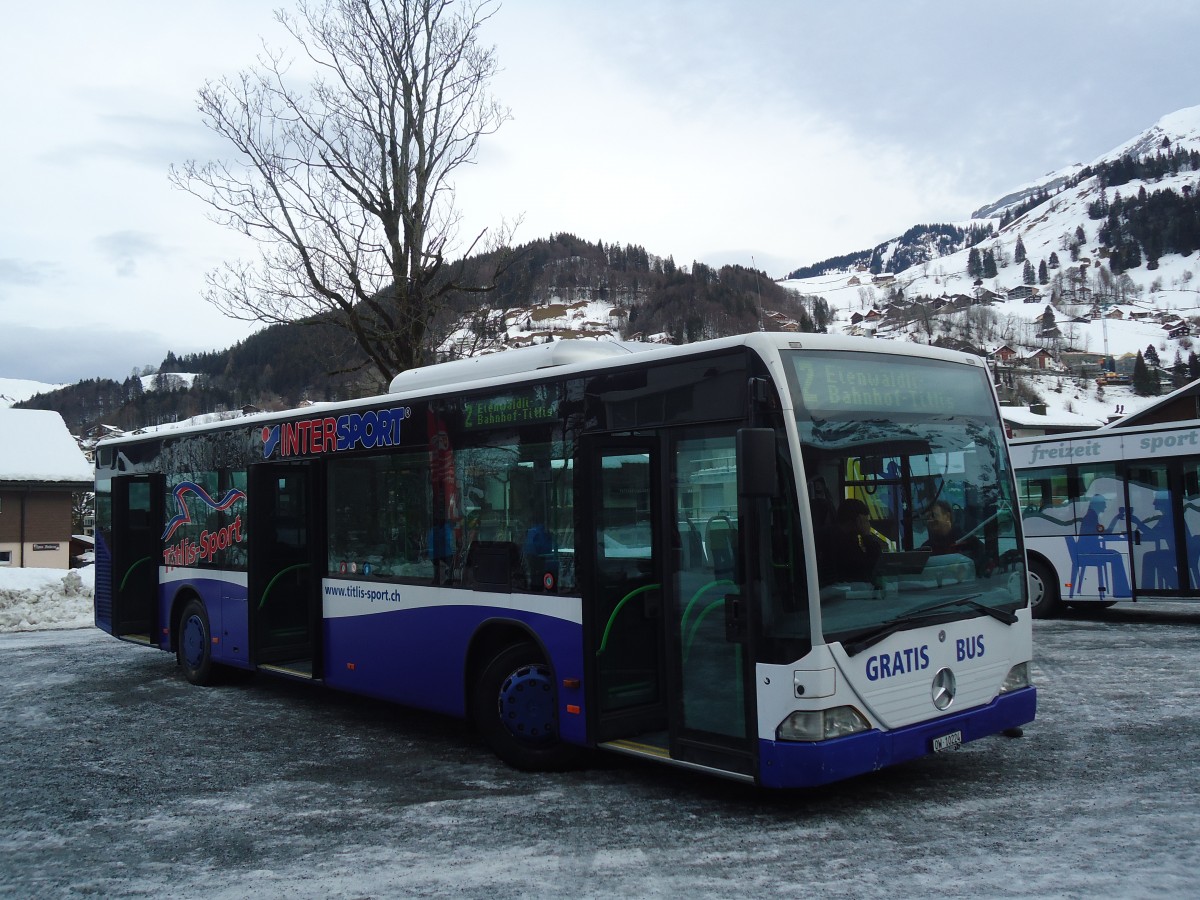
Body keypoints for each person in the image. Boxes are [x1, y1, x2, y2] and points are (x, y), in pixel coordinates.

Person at [822, 498, 884, 586]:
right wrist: (866, 535)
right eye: (865, 521)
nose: (868, 525)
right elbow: (868, 568)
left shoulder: (840, 537)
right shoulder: (842, 544)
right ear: (858, 521)